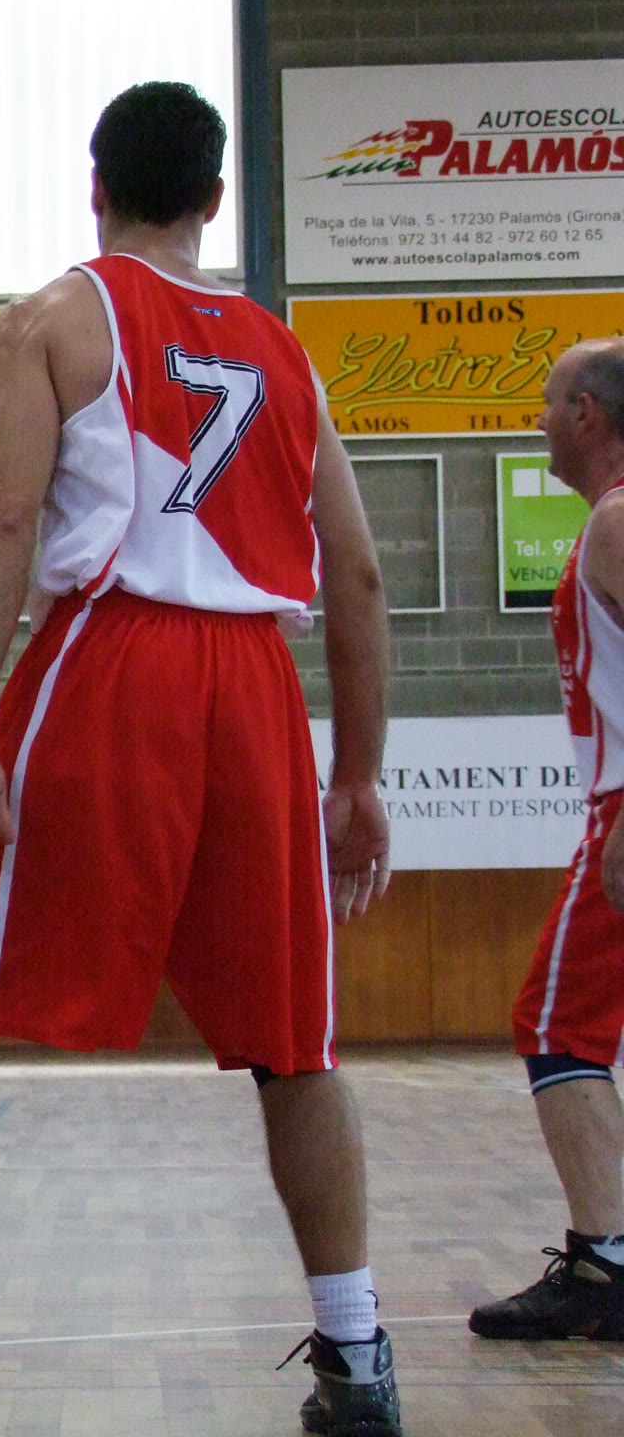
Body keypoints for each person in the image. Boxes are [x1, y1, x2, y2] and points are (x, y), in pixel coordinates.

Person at [0, 83, 402, 1436]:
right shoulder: (284, 353)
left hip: (112, 660)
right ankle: (358, 1355)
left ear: (95, 185)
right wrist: (358, 775)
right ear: (215, 199)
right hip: (258, 688)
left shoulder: (56, 317)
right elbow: (355, 575)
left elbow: (6, 520)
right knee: (297, 1042)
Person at [469, 338, 624, 1342]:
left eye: (543, 400)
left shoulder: (616, 520)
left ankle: (605, 1263)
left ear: (585, 414)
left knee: (557, 1023)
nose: (533, 420)